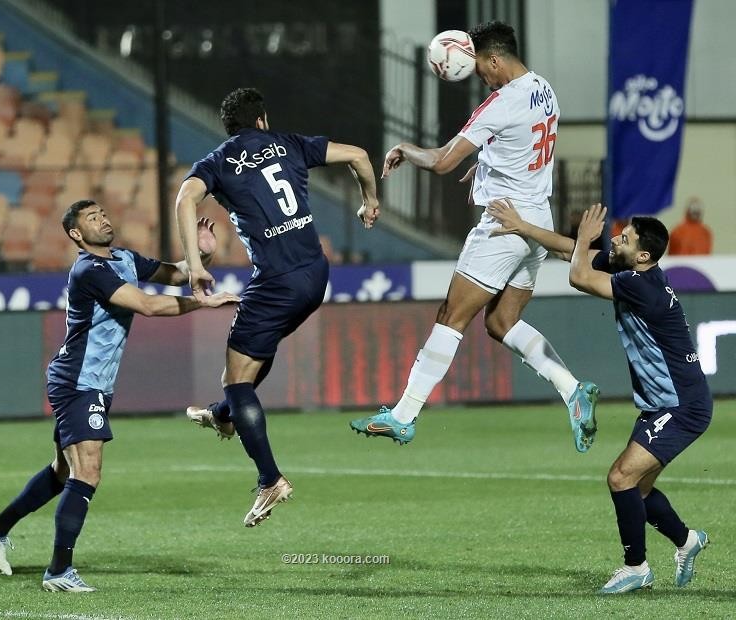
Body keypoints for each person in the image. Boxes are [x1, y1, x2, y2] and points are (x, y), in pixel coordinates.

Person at [350, 21, 599, 452]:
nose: (479, 76)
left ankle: (404, 415)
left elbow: (443, 161)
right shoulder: (545, 89)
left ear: (496, 59)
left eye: (480, 67)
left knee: (452, 316)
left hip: (504, 224)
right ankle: (572, 389)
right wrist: (486, 166)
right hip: (536, 221)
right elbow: (521, 147)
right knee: (502, 322)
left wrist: (406, 149)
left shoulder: (499, 103)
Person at [0, 200, 239, 592]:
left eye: (102, 213)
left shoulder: (124, 258)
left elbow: (178, 274)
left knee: (63, 472)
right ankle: (59, 571)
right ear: (77, 234)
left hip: (90, 381)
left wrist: (201, 254)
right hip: (78, 381)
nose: (102, 219)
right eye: (91, 218)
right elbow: (147, 305)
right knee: (88, 472)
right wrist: (203, 302)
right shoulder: (88, 269)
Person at [175, 87, 380, 527]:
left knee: (235, 377)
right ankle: (222, 415)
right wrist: (370, 201)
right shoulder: (289, 142)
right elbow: (361, 156)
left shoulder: (218, 160)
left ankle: (269, 478)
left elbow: (184, 199)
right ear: (263, 120)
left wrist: (195, 266)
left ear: (230, 128)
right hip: (315, 274)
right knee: (243, 372)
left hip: (276, 281)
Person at [487, 199, 712, 594]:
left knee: (620, 477)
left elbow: (579, 277)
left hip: (681, 406)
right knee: (638, 489)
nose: (614, 238)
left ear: (642, 254)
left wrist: (584, 239)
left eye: (623, 238)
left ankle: (636, 567)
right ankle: (687, 540)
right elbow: (566, 249)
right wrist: (522, 225)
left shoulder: (642, 286)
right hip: (666, 403)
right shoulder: (632, 269)